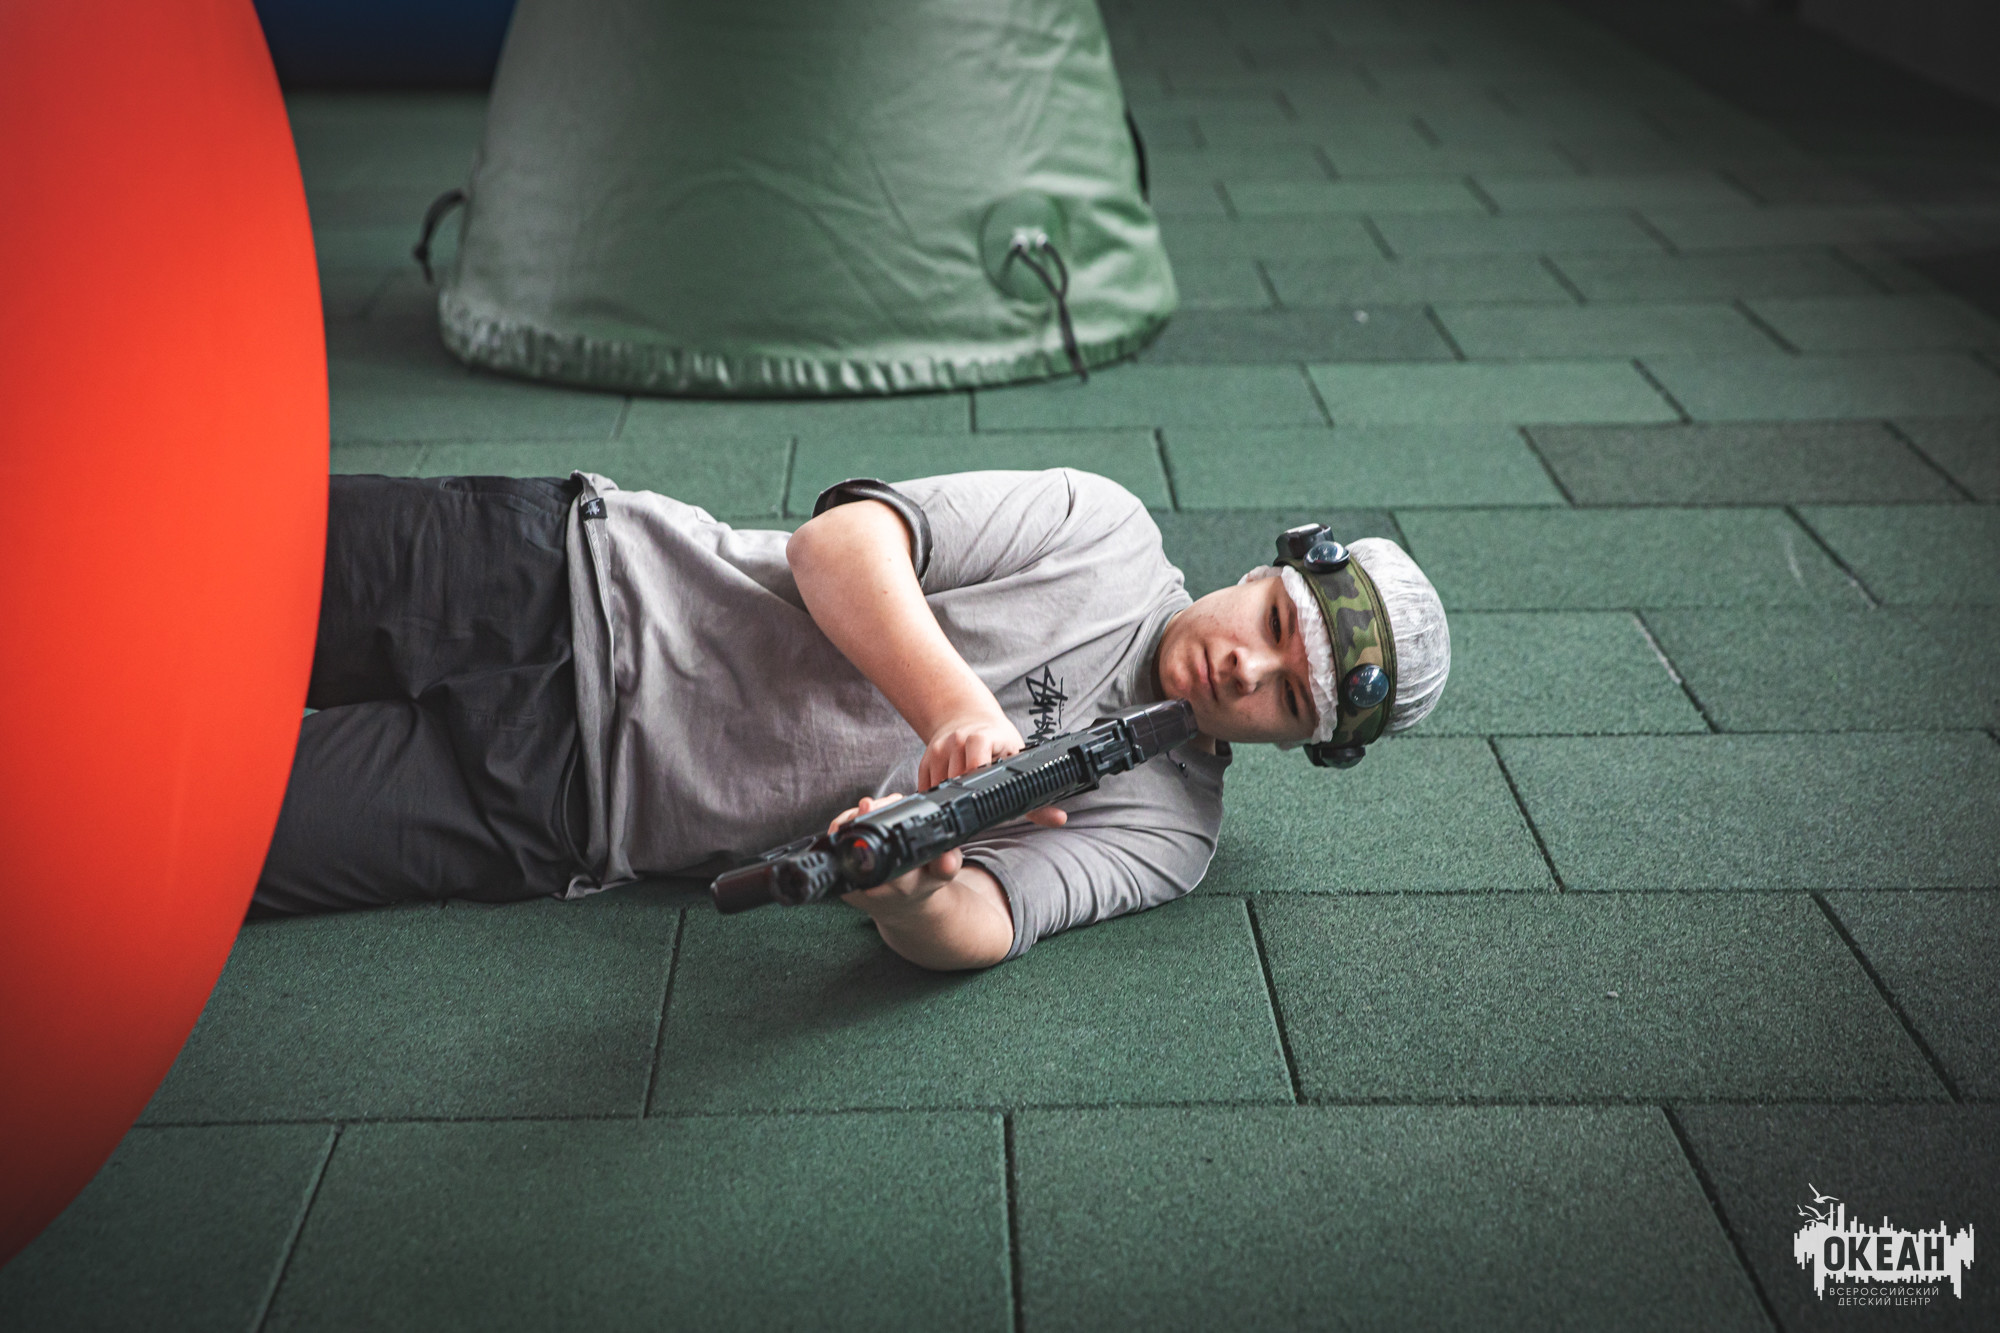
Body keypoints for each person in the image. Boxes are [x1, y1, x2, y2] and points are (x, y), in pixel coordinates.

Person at [255, 468, 1450, 970]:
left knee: (193, 841)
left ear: (1306, 745)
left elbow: (986, 924)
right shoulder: (1103, 529)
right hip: (554, 570)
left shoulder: (1167, 835)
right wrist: (955, 708)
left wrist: (910, 894)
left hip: (558, 804)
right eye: (1272, 623)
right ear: (1259, 572)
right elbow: (838, 542)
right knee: (192, 559)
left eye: (1289, 697)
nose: (1245, 668)